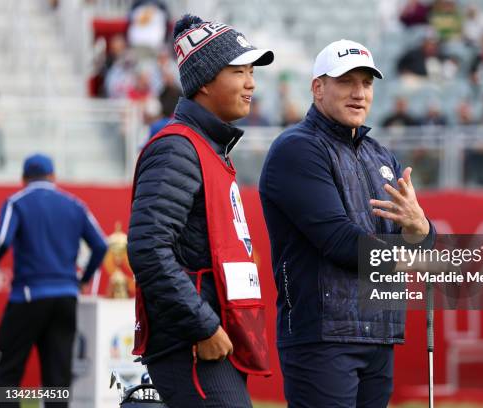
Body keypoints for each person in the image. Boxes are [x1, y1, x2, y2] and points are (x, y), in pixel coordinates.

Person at [259, 39, 436, 407]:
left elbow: (417, 242)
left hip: (379, 333)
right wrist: (416, 251)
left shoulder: (381, 155)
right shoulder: (296, 149)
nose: (359, 93)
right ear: (318, 88)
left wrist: (423, 231)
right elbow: (341, 242)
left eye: (367, 83)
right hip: (322, 338)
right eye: (346, 81)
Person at [127, 14, 274, 407]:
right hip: (191, 344)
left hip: (208, 339)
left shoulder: (207, 147)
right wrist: (203, 325)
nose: (251, 83)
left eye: (252, 72)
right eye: (239, 71)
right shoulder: (178, 147)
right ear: (205, 81)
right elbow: (147, 249)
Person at [0, 154, 107, 407]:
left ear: (23, 179)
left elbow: (2, 240)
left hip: (28, 297)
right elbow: (101, 245)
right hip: (66, 297)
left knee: (5, 371)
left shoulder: (17, 202)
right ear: (54, 177)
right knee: (58, 378)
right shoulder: (74, 204)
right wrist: (83, 280)